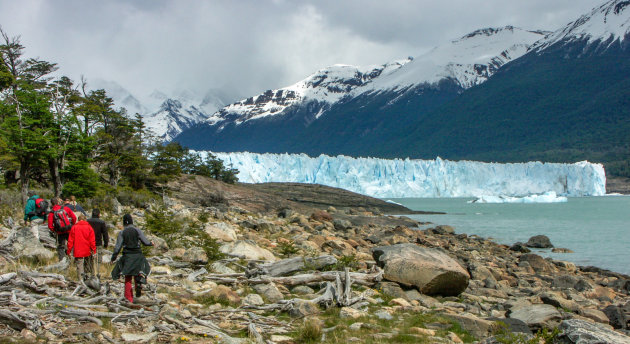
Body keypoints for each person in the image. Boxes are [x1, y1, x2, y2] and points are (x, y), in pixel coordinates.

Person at [111, 214, 153, 303]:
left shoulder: (122, 232)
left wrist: (113, 258)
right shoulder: (137, 230)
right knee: (138, 272)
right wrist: (150, 243)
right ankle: (138, 284)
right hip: (138, 254)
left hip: (127, 256)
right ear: (132, 221)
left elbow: (118, 247)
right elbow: (145, 242)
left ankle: (129, 299)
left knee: (128, 277)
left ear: (124, 222)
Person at [67, 214, 96, 282]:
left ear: (78, 219)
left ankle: (80, 280)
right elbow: (92, 241)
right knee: (87, 264)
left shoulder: (74, 227)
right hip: (87, 249)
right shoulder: (89, 227)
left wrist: (69, 251)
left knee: (79, 265)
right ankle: (87, 279)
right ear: (85, 219)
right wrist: (93, 250)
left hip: (78, 249)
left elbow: (70, 241)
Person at [48, 197, 77, 261]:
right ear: (58, 202)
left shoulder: (52, 212)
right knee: (72, 243)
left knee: (61, 246)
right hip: (69, 230)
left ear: (52, 204)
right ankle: (74, 258)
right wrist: (72, 225)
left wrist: (55, 230)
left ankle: (62, 260)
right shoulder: (66, 208)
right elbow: (74, 217)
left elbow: (50, 226)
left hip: (60, 232)